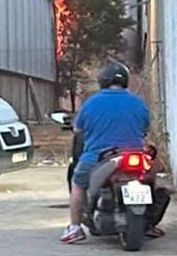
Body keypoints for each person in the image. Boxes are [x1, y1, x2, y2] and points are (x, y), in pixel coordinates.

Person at [62, 60, 151, 244]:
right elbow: (145, 129)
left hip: (99, 157)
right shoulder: (138, 102)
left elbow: (78, 130)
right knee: (151, 179)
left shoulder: (91, 103)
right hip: (135, 155)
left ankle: (75, 227)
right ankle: (150, 224)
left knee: (78, 183)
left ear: (102, 80)